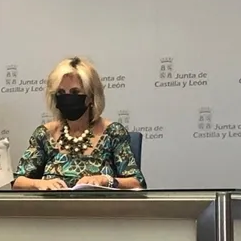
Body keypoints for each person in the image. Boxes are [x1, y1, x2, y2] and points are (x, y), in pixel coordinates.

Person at [12, 57, 146, 191]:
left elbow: (137, 183)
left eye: (75, 92)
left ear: (91, 96)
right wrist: (39, 184)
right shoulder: (45, 134)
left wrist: (105, 180)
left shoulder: (113, 133)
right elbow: (18, 182)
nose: (67, 98)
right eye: (61, 93)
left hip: (100, 210)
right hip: (52, 210)